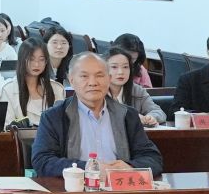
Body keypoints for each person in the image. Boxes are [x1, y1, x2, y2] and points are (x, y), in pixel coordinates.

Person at [30, 52, 163, 177]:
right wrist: (88, 168)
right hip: (75, 189)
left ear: (109, 79)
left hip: (119, 187)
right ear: (72, 80)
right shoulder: (54, 117)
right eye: (84, 76)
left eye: (99, 76)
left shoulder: (128, 115)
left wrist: (130, 167)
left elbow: (152, 158)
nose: (93, 82)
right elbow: (42, 161)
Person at [4, 39, 60, 126]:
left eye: (41, 59)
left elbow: (61, 123)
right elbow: (8, 127)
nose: (36, 64)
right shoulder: (8, 89)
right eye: (31, 59)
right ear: (22, 60)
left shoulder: (56, 88)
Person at [104, 48, 166, 125]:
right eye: (114, 67)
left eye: (125, 67)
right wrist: (131, 117)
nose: (120, 72)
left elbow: (159, 112)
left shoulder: (137, 90)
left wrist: (151, 117)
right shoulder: (97, 91)